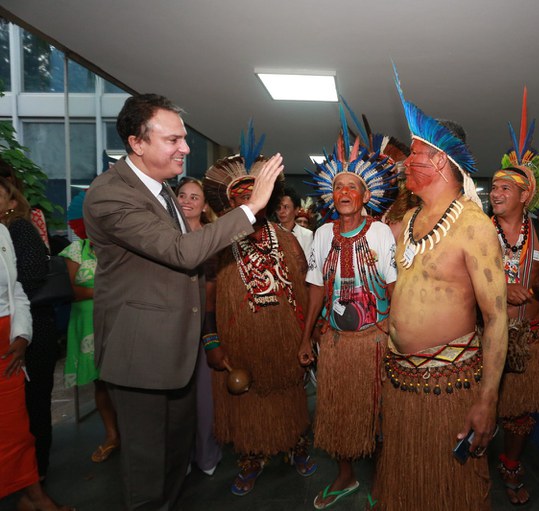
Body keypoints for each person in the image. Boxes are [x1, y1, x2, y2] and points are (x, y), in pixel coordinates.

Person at [82, 94, 284, 510]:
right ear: (137, 143)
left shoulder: (163, 191)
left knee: (175, 461)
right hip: (141, 356)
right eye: (173, 139)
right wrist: (250, 208)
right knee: (146, 471)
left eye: (185, 139)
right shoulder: (110, 194)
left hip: (176, 350)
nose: (186, 148)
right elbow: (182, 252)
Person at [369, 66, 508, 511]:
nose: (405, 162)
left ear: (440, 161)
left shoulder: (474, 227)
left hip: (448, 386)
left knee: (450, 491)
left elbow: (497, 319)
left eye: (413, 154)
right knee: (408, 480)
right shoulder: (408, 221)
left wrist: (487, 401)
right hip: (401, 381)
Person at [202, 133, 316, 497]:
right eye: (242, 198)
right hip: (240, 345)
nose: (250, 203)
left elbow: (306, 287)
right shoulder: (218, 243)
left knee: (291, 396)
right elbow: (208, 299)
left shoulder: (288, 240)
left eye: (256, 196)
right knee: (245, 401)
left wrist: (305, 337)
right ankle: (251, 459)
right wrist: (213, 341)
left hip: (286, 341)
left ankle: (296, 447)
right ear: (232, 203)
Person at [297, 105, 397, 509]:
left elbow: (395, 284)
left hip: (376, 338)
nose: (343, 194)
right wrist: (306, 337)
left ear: (365, 195)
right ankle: (344, 478)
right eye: (337, 188)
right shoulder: (321, 234)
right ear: (330, 195)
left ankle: (381, 480)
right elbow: (316, 289)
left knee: (379, 412)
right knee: (337, 411)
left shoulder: (381, 233)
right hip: (335, 342)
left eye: (351, 187)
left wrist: (394, 331)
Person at [489, 92, 539, 506]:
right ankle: (473, 461)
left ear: (525, 196)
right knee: (482, 405)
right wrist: (500, 288)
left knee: (521, 412)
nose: (496, 191)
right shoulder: (479, 231)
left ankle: (511, 463)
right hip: (484, 334)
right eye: (494, 186)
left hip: (532, 335)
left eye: (505, 187)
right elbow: (459, 282)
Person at [0, 222, 74, 511]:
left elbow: (15, 286)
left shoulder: (3, 231)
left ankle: (32, 498)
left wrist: (22, 334)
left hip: (8, 347)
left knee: (17, 429)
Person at [0, 177, 59, 481]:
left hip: (32, 328)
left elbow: (33, 274)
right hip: (21, 325)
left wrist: (8, 303)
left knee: (32, 408)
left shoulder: (17, 228)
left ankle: (36, 476)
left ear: (12, 203)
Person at [59, 191, 120, 464]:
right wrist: (111, 290)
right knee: (102, 384)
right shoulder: (74, 251)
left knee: (124, 382)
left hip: (119, 321)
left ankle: (132, 435)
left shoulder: (120, 247)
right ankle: (111, 435)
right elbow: (74, 292)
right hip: (87, 326)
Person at [174, 177, 221, 476]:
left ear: (204, 206)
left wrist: (211, 334)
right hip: (173, 327)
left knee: (204, 398)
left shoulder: (212, 238)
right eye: (182, 195)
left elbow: (214, 290)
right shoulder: (166, 235)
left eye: (194, 197)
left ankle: (206, 455)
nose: (187, 201)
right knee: (176, 399)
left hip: (205, 325)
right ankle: (180, 459)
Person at [275, 187, 313, 259]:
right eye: (278, 207)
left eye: (286, 207)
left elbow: (308, 262)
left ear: (296, 210)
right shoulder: (271, 232)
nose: (281, 211)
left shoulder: (307, 235)